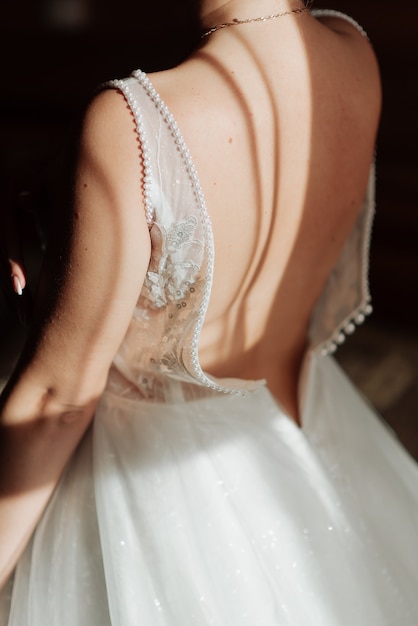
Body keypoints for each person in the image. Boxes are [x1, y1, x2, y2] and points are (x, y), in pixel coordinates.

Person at [1, 1, 417, 623]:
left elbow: (57, 402)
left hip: (155, 503)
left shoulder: (131, 122)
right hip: (295, 439)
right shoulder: (351, 54)